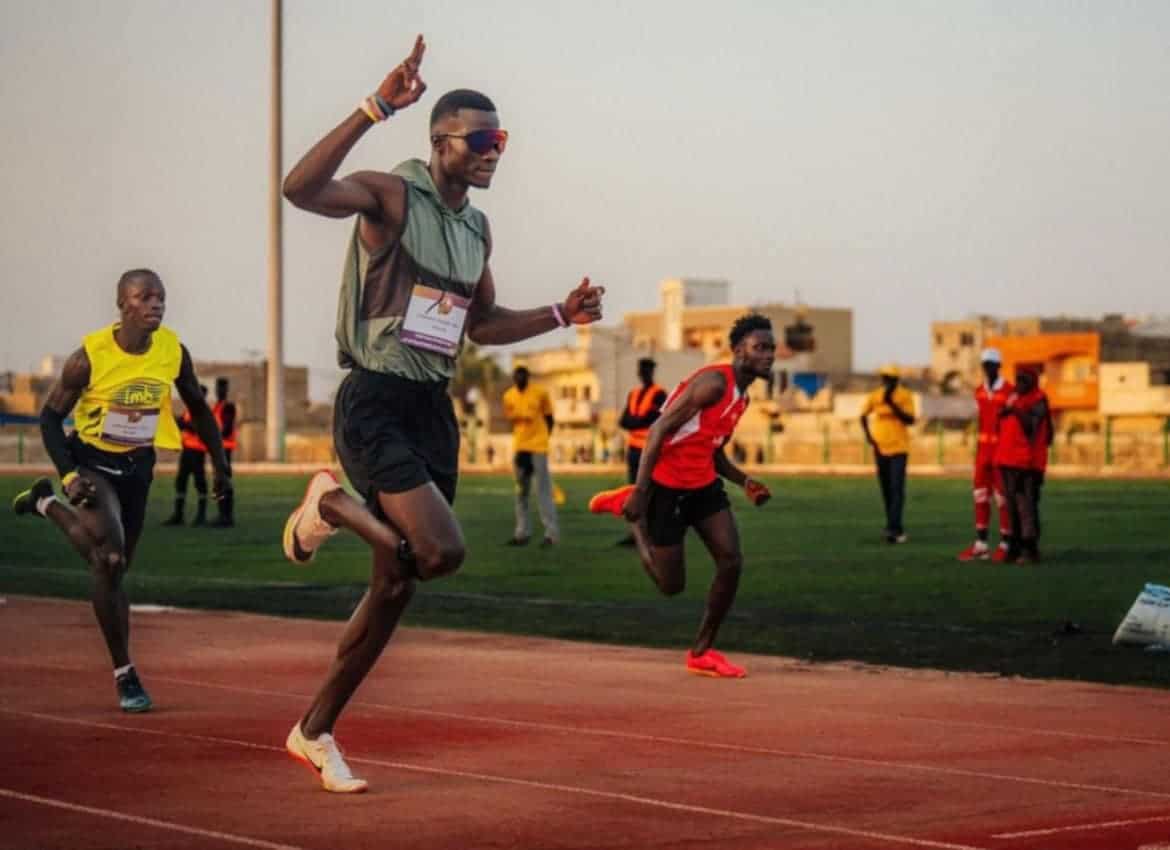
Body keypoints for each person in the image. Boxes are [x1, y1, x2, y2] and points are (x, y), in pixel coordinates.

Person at [278, 35, 604, 793]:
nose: (495, 152)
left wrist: (562, 311)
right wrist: (372, 108)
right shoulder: (393, 195)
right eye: (483, 140)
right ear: (441, 142)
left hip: (431, 408)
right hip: (374, 400)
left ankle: (313, 731)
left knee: (397, 584)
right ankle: (326, 501)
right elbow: (299, 189)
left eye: (502, 140)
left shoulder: (474, 229)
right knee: (441, 551)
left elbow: (480, 325)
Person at [11, 269, 231, 712]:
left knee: (115, 562)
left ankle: (44, 502)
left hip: (138, 467)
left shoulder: (172, 350)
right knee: (109, 560)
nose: (156, 304)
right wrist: (69, 473)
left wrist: (222, 465)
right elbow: (51, 419)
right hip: (93, 463)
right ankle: (125, 674)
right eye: (145, 297)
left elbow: (197, 406)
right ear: (123, 304)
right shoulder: (89, 357)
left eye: (161, 297)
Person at [588, 313, 775, 678]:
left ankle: (702, 652)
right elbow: (658, 429)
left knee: (731, 559)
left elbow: (713, 450)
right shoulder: (713, 384)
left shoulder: (741, 399)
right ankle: (634, 516)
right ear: (738, 350)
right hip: (665, 487)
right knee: (671, 585)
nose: (768, 355)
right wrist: (642, 491)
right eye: (760, 347)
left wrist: (745, 481)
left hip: (703, 486)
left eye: (771, 348)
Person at [957, 349, 1015, 562]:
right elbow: (979, 418)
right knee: (980, 495)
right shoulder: (979, 391)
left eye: (991, 364)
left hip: (1002, 451)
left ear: (998, 366)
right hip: (983, 452)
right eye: (985, 365)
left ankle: (1005, 543)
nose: (988, 368)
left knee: (1002, 498)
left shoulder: (1010, 391)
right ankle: (981, 545)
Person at [995, 366, 1049, 564]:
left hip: (1027, 463)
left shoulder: (1038, 401)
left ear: (1033, 382)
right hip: (1007, 459)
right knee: (1012, 507)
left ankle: (1030, 549)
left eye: (1024, 380)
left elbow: (1031, 428)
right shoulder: (1014, 398)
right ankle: (1015, 547)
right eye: (1018, 380)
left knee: (1026, 506)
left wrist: (1015, 411)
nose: (1019, 384)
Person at [501, 365, 559, 546]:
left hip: (538, 448)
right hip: (520, 448)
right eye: (517, 376)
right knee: (521, 492)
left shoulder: (540, 393)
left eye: (523, 376)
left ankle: (551, 535)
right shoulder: (508, 396)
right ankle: (522, 534)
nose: (520, 379)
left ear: (528, 377)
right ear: (513, 378)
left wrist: (543, 439)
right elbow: (511, 420)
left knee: (543, 491)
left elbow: (550, 418)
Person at [860, 364, 917, 543]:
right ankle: (893, 526)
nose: (886, 382)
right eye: (884, 378)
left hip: (899, 448)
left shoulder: (905, 396)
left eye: (890, 379)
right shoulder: (875, 396)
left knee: (896, 488)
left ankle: (894, 527)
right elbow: (862, 415)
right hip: (880, 447)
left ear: (896, 380)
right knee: (886, 489)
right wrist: (869, 437)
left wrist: (892, 404)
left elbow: (910, 419)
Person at [615, 358, 667, 546]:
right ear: (639, 372)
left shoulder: (659, 394)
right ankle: (636, 534)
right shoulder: (634, 394)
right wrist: (639, 420)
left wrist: (635, 420)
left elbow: (655, 419)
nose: (644, 373)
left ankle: (652, 533)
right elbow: (623, 421)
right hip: (633, 449)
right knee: (633, 491)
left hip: (650, 450)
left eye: (647, 370)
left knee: (650, 491)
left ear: (652, 372)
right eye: (642, 370)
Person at [162, 383, 210, 527]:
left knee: (199, 483)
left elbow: (196, 427)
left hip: (198, 451)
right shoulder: (189, 410)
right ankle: (178, 515)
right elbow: (183, 424)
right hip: (187, 450)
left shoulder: (203, 410)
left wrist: (182, 423)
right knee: (181, 481)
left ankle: (201, 516)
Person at [209, 377, 238, 527]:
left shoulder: (228, 407)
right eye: (218, 388)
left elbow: (226, 430)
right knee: (219, 482)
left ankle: (227, 517)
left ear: (226, 390)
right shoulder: (216, 407)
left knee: (223, 481)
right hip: (217, 448)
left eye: (222, 388)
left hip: (224, 449)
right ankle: (222, 515)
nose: (219, 391)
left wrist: (213, 435)